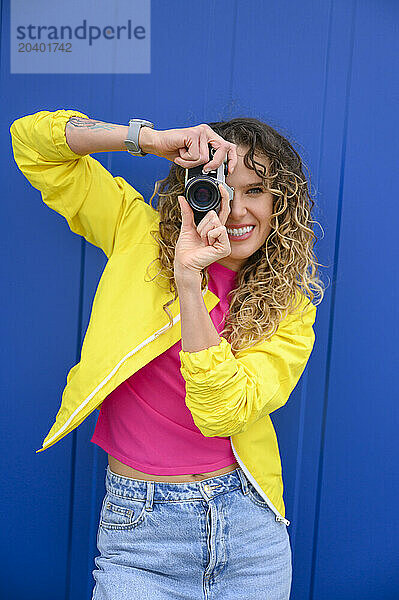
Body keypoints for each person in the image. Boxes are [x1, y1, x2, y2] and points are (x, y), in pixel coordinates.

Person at [10, 109, 324, 599]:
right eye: (220, 187)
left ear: (282, 203)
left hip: (248, 530)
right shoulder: (136, 233)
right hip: (140, 532)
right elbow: (34, 146)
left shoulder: (289, 306)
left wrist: (191, 287)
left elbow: (222, 411)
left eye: (256, 190)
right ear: (191, 192)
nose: (237, 210)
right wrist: (149, 140)